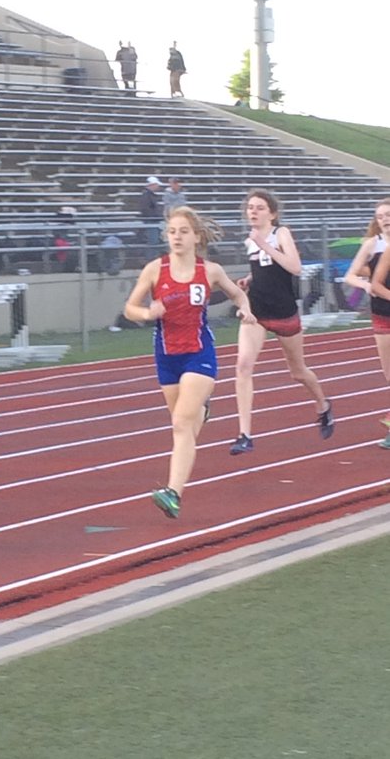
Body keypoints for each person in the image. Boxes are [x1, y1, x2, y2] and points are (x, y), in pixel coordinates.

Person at [124, 206, 254, 518]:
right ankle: (203, 409)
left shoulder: (210, 271)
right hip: (167, 356)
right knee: (186, 427)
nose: (177, 237)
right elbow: (129, 307)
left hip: (199, 353)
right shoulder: (155, 269)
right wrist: (146, 313)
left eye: (183, 231)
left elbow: (238, 295)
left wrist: (245, 310)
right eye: (172, 232)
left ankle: (172, 493)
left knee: (181, 424)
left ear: (196, 237)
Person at [230, 189, 334, 455]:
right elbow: (264, 268)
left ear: (272, 213)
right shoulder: (250, 240)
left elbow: (295, 267)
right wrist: (249, 279)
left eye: (259, 208)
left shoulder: (280, 233)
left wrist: (264, 244)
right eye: (250, 207)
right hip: (256, 312)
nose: (253, 211)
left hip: (284, 312)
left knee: (298, 372)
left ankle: (323, 405)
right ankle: (244, 434)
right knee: (243, 366)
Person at [346, 199, 390, 447]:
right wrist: (366, 284)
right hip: (382, 312)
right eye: (380, 216)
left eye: (388, 214)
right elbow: (350, 274)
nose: (385, 219)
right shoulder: (373, 244)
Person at [138, 175, 164, 259]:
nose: (158, 187)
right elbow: (146, 209)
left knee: (153, 242)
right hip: (151, 221)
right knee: (153, 242)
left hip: (152, 221)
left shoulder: (147, 195)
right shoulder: (147, 196)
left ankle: (151, 259)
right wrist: (156, 215)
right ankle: (151, 259)